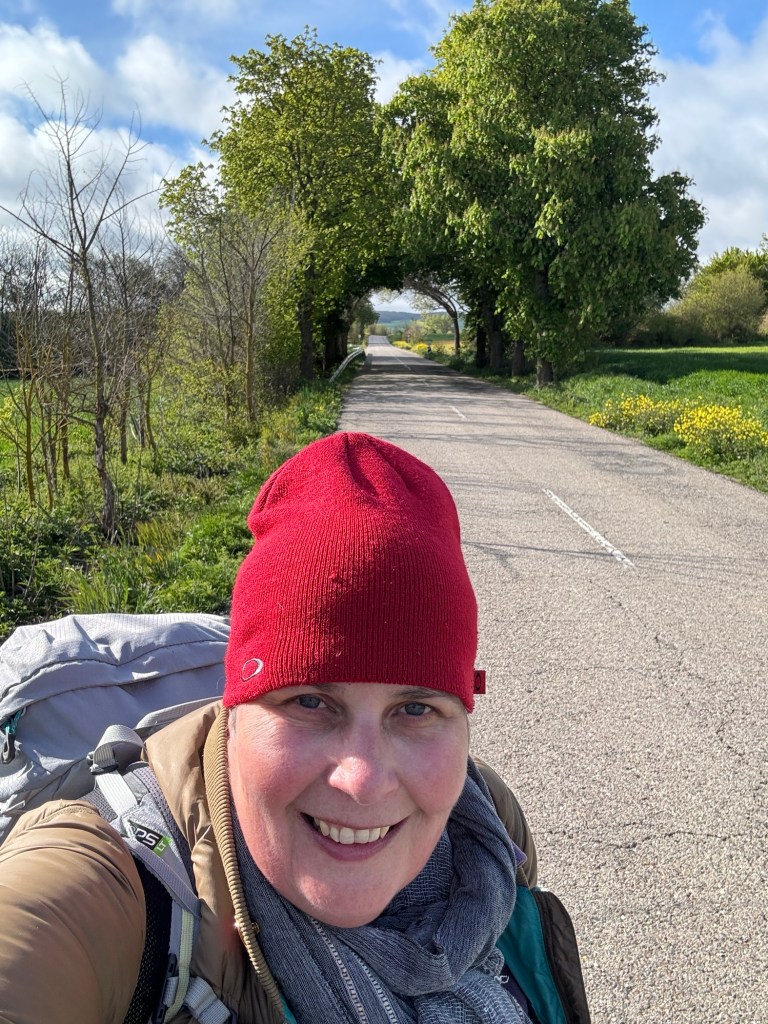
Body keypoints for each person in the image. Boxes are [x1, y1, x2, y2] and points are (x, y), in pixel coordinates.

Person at [0, 431, 545, 1024]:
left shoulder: (485, 825)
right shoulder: (105, 886)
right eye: (311, 701)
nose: (363, 781)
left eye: (416, 709)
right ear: (234, 711)